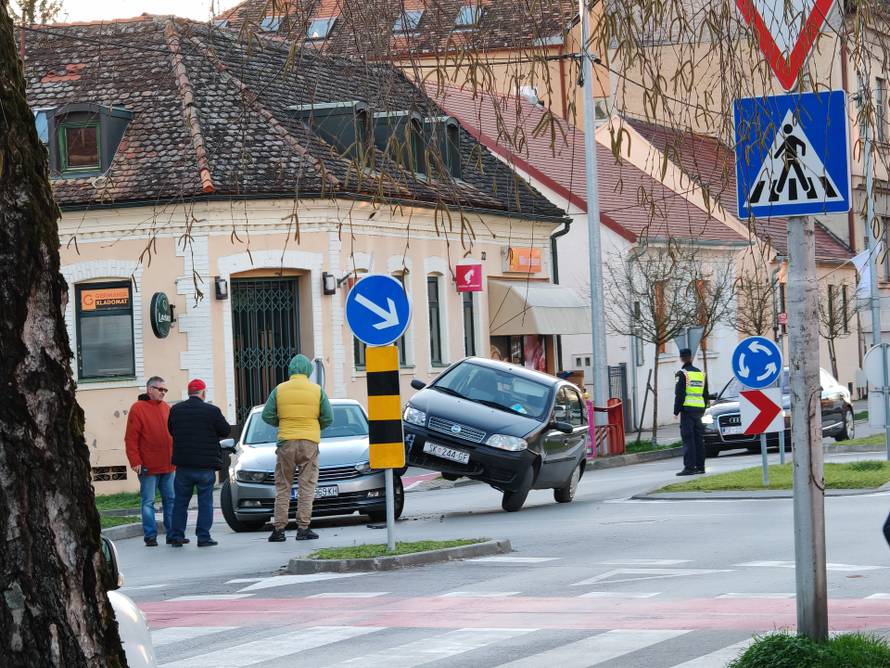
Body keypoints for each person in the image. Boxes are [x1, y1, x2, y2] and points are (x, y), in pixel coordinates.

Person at [261, 354, 333, 542]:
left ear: (290, 369)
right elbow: (328, 417)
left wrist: (282, 422)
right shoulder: (317, 390)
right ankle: (303, 528)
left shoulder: (279, 389)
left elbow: (266, 415)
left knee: (283, 486)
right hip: (309, 442)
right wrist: (314, 427)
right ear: (308, 371)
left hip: (286, 442)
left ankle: (279, 530)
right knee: (307, 486)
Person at [167, 379, 230, 547]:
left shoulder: (176, 410)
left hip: (183, 465)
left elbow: (171, 430)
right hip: (205, 466)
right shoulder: (212, 411)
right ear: (203, 392)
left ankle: (177, 536)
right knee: (205, 502)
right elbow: (225, 430)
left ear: (189, 392)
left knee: (180, 502)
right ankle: (203, 537)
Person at [124, 376, 178, 547]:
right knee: (148, 502)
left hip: (168, 465)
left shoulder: (166, 407)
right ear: (150, 389)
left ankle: (172, 535)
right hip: (148, 466)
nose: (163, 392)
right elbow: (131, 438)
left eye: (165, 390)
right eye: (160, 389)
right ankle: (150, 536)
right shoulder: (137, 408)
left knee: (171, 500)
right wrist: (135, 461)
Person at [674, 348, 709, 476]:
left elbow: (679, 394)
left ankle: (689, 468)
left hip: (687, 411)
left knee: (688, 439)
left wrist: (676, 411)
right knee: (699, 439)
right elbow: (705, 393)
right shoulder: (701, 374)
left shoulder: (682, 374)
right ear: (691, 357)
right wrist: (703, 408)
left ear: (681, 358)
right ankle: (701, 467)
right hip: (699, 410)